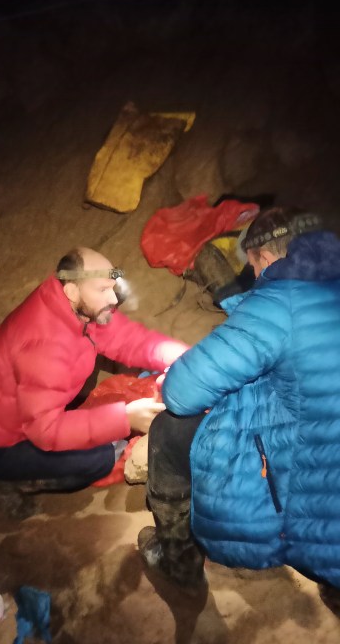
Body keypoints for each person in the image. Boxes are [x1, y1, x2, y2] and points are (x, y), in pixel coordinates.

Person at [138, 207, 340, 606]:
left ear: (263, 257)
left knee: (170, 431)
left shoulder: (280, 303)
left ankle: (178, 559)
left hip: (317, 489)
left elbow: (181, 392)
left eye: (253, 265)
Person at [0, 247, 189, 492]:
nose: (113, 299)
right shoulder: (44, 351)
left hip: (3, 403)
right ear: (72, 290)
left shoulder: (73, 304)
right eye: (103, 290)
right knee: (100, 459)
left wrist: (187, 359)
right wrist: (125, 418)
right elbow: (46, 431)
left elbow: (127, 338)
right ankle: (14, 483)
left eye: (112, 288)